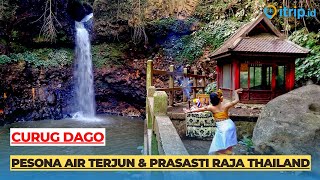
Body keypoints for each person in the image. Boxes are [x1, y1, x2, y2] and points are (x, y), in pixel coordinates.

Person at [184, 88, 243, 155]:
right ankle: (228, 155)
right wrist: (235, 92)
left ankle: (222, 157)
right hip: (230, 125)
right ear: (221, 99)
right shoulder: (226, 105)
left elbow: (201, 109)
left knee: (219, 147)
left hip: (222, 128)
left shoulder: (211, 107)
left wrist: (189, 111)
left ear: (211, 100)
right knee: (228, 145)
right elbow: (237, 100)